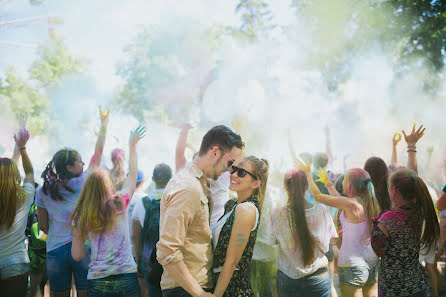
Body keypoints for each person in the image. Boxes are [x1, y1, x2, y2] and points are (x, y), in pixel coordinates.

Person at [157, 125, 244, 297]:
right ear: (215, 153)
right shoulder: (189, 187)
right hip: (185, 290)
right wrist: (200, 294)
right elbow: (167, 250)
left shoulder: (198, 183)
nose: (229, 170)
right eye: (230, 163)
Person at [36, 107, 109, 297]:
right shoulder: (85, 182)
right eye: (80, 162)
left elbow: (43, 225)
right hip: (84, 246)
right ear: (70, 167)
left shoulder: (43, 190)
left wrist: (59, 234)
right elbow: (98, 153)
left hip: (55, 250)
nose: (84, 164)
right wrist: (103, 126)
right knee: (86, 292)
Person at [70, 125, 145, 297]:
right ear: (109, 186)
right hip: (127, 275)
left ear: (87, 189)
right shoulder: (120, 204)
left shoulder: (81, 217)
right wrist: (132, 146)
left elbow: (77, 255)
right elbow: (132, 178)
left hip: (98, 279)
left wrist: (86, 239)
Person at [295, 158, 380, 297]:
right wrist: (328, 184)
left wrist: (308, 174)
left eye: (345, 180)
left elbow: (317, 196)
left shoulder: (351, 204)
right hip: (371, 264)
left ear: (351, 186)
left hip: (352, 266)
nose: (342, 182)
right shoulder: (367, 203)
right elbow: (339, 200)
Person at [267, 169, 337, 297]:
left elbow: (272, 241)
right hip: (318, 277)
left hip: (288, 278)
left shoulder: (277, 214)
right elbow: (332, 239)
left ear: (286, 188)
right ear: (306, 186)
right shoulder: (322, 210)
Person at [371, 169, 439, 297]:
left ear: (394, 191)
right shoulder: (420, 212)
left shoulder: (387, 219)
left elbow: (371, 256)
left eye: (389, 187)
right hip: (417, 286)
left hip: (393, 290)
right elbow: (412, 179)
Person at [212, 156, 269, 297]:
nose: (234, 175)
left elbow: (231, 262)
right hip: (221, 283)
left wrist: (216, 295)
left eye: (241, 173)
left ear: (256, 183)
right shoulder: (232, 205)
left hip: (232, 288)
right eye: (234, 170)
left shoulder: (246, 210)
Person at [174, 123, 232, 230]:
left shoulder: (188, 174)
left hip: (203, 235)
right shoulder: (223, 175)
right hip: (210, 235)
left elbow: (179, 154)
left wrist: (184, 131)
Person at [0, 128, 35, 297]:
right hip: (16, 263)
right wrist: (22, 148)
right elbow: (29, 173)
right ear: (14, 175)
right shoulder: (24, 196)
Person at [132, 163, 173, 297]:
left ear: (153, 179)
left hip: (149, 262)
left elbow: (135, 236)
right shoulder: (176, 200)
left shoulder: (143, 202)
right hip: (173, 261)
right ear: (170, 179)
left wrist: (139, 262)